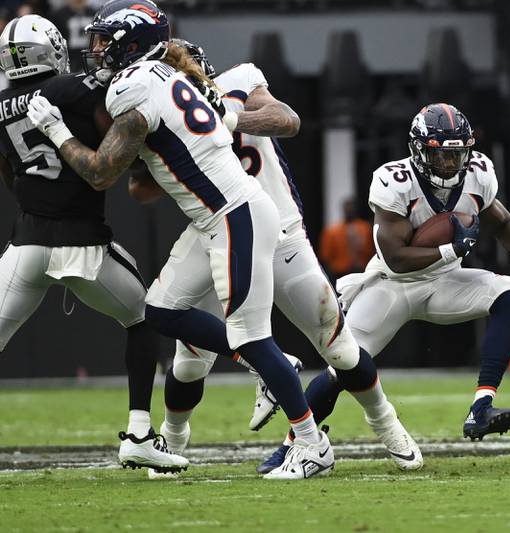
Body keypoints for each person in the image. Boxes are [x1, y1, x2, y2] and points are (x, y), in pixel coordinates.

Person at [25, 0, 329, 480]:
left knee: (252, 336)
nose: (97, 47)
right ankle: (262, 363)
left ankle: (312, 444)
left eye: (107, 39)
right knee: (160, 309)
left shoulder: (134, 86)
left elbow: (102, 173)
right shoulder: (166, 76)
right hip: (213, 219)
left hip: (234, 215)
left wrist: (55, 129)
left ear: (132, 43)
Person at [131, 39, 422, 476]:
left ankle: (388, 425)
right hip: (216, 233)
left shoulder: (238, 82)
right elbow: (141, 189)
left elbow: (286, 119)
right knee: (189, 361)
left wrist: (226, 118)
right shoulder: (159, 108)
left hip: (280, 233)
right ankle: (171, 441)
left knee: (338, 346)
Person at [258, 103, 510, 469]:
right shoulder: (394, 180)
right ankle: (292, 444)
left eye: (457, 154)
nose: (449, 164)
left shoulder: (479, 173)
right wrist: (451, 248)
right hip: (391, 286)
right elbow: (395, 256)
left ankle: (481, 406)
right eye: (441, 155)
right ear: (418, 150)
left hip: (444, 283)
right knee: (344, 365)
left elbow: (500, 220)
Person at [0, 14, 186, 472]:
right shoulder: (74, 90)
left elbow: (9, 172)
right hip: (81, 245)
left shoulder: (0, 104)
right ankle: (141, 433)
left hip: (25, 242)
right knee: (144, 318)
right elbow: (115, 139)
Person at [319, 197, 375, 278]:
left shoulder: (365, 228)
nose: (349, 210)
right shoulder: (332, 231)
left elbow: (372, 251)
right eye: (347, 208)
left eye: (351, 208)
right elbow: (325, 256)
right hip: (339, 273)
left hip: (362, 272)